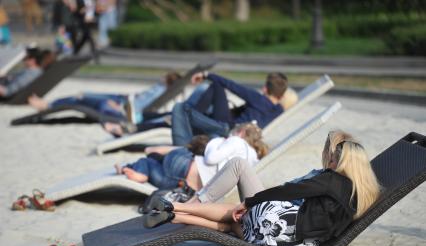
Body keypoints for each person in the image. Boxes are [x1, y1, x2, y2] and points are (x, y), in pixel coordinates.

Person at [142, 130, 381, 246]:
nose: (329, 159)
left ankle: (177, 206)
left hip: (279, 225)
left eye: (332, 156)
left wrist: (251, 200)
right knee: (231, 225)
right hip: (290, 242)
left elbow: (292, 190)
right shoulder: (359, 195)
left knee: (234, 209)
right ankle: (174, 215)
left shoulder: (332, 181)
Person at [116, 123, 268, 192]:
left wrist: (217, 141)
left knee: (151, 159)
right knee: (155, 164)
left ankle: (133, 165)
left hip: (184, 164)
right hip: (182, 185)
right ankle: (141, 168)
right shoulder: (255, 161)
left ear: (241, 133)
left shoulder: (237, 141)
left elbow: (211, 158)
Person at [171, 72, 287, 146]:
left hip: (228, 128)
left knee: (217, 85)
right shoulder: (279, 111)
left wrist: (206, 75)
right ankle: (195, 117)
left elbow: (232, 85)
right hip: (245, 135)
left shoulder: (259, 99)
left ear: (265, 89)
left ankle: (192, 119)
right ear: (281, 95)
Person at [28, 71, 182, 122]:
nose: (161, 77)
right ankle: (48, 104)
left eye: (164, 77)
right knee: (80, 97)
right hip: (122, 98)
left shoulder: (160, 90)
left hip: (122, 104)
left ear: (168, 81)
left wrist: (120, 107)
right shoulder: (162, 89)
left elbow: (138, 108)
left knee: (81, 97)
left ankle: (47, 105)